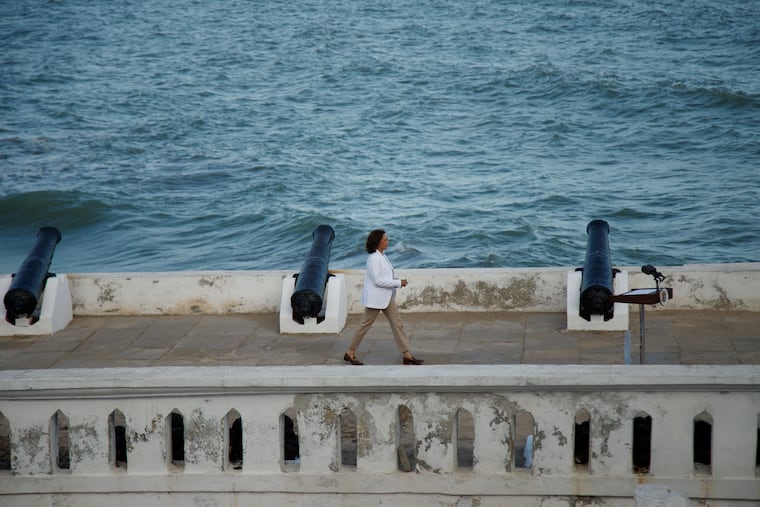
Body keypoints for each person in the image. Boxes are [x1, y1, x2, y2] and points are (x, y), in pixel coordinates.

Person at [343, 229, 424, 366]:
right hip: (376, 298)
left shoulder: (382, 256)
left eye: (387, 239)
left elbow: (385, 277)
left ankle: (407, 355)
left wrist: (396, 281)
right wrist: (398, 283)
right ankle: (350, 352)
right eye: (385, 239)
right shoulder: (374, 258)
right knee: (365, 325)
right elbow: (378, 281)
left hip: (386, 297)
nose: (388, 241)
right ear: (378, 242)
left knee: (398, 324)